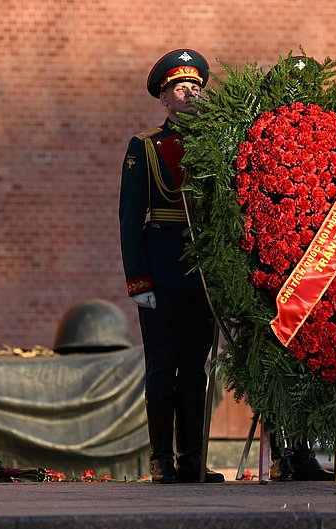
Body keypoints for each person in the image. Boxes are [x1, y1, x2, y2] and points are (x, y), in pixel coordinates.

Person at [119, 49, 224, 484]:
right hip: (161, 270)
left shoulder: (217, 147)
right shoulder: (144, 147)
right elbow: (130, 218)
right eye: (180, 87)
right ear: (164, 96)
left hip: (202, 274)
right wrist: (138, 280)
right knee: (162, 366)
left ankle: (192, 459)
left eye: (195, 86)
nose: (189, 93)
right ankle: (161, 458)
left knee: (195, 369)